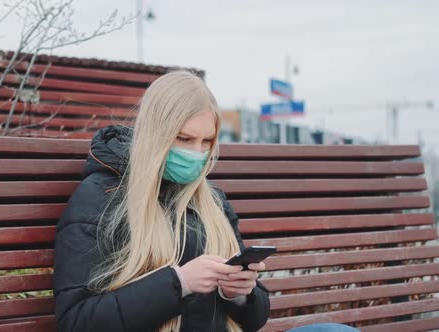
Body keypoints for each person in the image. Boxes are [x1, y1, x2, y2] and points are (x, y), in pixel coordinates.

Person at [53, 70, 359, 332]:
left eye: (206, 141)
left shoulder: (211, 201)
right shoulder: (101, 198)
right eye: (184, 139)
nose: (196, 153)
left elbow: (255, 318)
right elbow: (77, 322)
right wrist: (179, 283)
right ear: (155, 135)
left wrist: (239, 294)